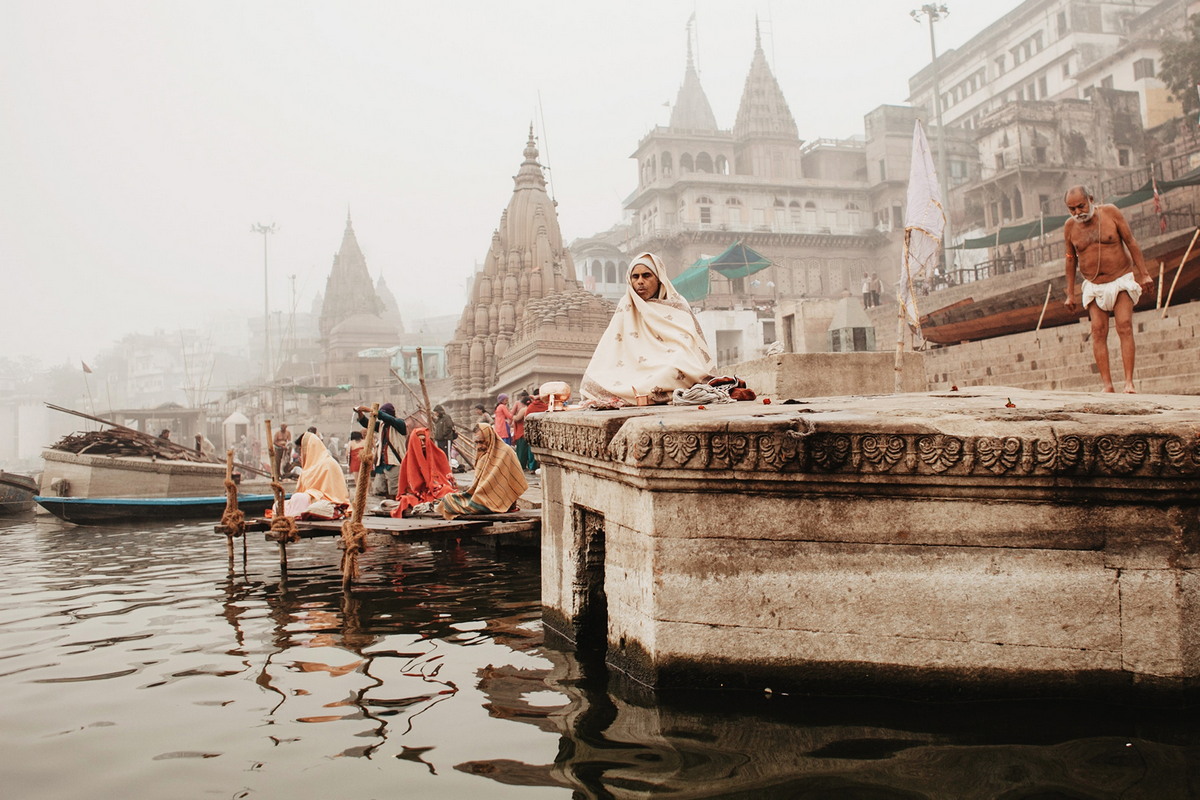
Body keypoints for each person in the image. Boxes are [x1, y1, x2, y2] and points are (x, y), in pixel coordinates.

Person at [581, 251, 716, 405]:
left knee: (674, 369)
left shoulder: (678, 305)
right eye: (635, 277)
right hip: (632, 368)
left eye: (646, 276)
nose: (640, 281)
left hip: (668, 365)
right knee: (590, 383)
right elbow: (611, 347)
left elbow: (687, 346)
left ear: (659, 279)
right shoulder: (626, 306)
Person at [1062, 184, 1154, 393]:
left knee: (1124, 325)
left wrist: (1144, 274)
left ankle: (1129, 382)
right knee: (1098, 331)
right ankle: (1107, 385)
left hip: (1120, 279)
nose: (1078, 213)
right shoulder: (1069, 227)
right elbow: (1069, 259)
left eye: (1081, 206)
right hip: (1094, 285)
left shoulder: (1111, 213)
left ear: (1091, 199)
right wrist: (1070, 293)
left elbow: (1130, 241)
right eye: (1072, 209)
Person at [437, 423, 528, 520]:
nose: (479, 446)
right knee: (448, 499)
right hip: (482, 497)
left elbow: (515, 481)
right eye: (477, 442)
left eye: (482, 442)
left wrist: (508, 503)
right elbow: (478, 486)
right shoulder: (482, 454)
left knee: (451, 502)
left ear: (490, 438)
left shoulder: (506, 452)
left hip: (492, 502)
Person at [389, 427, 458, 518]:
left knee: (447, 491)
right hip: (418, 494)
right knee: (406, 499)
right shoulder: (407, 459)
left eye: (424, 440)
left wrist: (437, 486)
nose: (422, 444)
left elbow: (446, 478)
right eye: (419, 441)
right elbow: (405, 486)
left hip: (437, 490)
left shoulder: (439, 454)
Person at [281, 431, 349, 517]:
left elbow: (330, 493)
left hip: (327, 502)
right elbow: (304, 489)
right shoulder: (310, 465)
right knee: (277, 505)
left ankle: (296, 515)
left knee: (300, 499)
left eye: (302, 449)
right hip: (310, 500)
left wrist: (310, 495)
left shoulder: (328, 464)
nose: (301, 452)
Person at [354, 403, 407, 497]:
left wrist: (371, 410)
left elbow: (390, 419)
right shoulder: (382, 425)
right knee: (379, 490)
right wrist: (360, 413)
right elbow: (367, 424)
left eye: (383, 414)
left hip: (394, 463)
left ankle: (395, 508)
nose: (381, 417)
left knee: (395, 491)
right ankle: (385, 507)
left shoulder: (400, 424)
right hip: (382, 464)